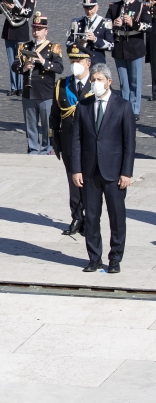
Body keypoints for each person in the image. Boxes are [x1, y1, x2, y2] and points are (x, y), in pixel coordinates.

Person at [71, 63, 136, 274]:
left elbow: (129, 143)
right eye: (93, 80)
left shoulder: (123, 106)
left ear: (109, 81)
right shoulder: (84, 106)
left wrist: (126, 172)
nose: (96, 83)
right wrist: (76, 169)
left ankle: (115, 257)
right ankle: (94, 258)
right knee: (91, 216)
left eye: (99, 80)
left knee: (116, 216)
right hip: (90, 171)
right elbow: (77, 140)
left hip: (114, 172)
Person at [50, 44, 93, 237]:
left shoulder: (96, 85)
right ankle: (77, 216)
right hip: (68, 140)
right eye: (73, 61)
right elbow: (55, 115)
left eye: (79, 61)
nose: (76, 64)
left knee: (90, 180)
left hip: (91, 142)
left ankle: (90, 217)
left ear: (88, 63)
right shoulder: (62, 85)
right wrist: (55, 139)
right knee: (72, 178)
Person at [12, 12, 64, 155]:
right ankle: (33, 149)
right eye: (34, 29)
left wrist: (44, 62)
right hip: (29, 92)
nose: (36, 32)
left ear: (46, 31)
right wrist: (24, 68)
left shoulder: (53, 48)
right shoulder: (25, 46)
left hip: (45, 92)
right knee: (31, 125)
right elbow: (14, 65)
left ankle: (47, 149)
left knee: (47, 125)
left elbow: (59, 68)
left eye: (39, 29)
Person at [105, 0, 152, 122]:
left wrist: (134, 23)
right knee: (124, 83)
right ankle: (124, 108)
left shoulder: (141, 7)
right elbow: (104, 25)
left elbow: (148, 26)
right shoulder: (114, 7)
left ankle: (135, 109)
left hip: (135, 47)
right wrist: (113, 24)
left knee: (135, 81)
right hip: (120, 48)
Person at [2, 0, 36, 97]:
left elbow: (27, 12)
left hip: (21, 29)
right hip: (9, 29)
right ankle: (13, 86)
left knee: (21, 58)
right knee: (11, 59)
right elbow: (0, 10)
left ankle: (21, 86)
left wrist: (13, 8)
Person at [66, 0, 113, 67]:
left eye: (91, 8)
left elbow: (111, 45)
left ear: (97, 7)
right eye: (86, 8)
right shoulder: (77, 22)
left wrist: (95, 39)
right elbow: (68, 42)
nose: (89, 11)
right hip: (81, 62)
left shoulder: (105, 23)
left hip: (97, 62)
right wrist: (77, 43)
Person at [143, 0, 156, 102]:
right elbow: (143, 6)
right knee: (154, 58)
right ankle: (155, 90)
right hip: (152, 27)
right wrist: (149, 2)